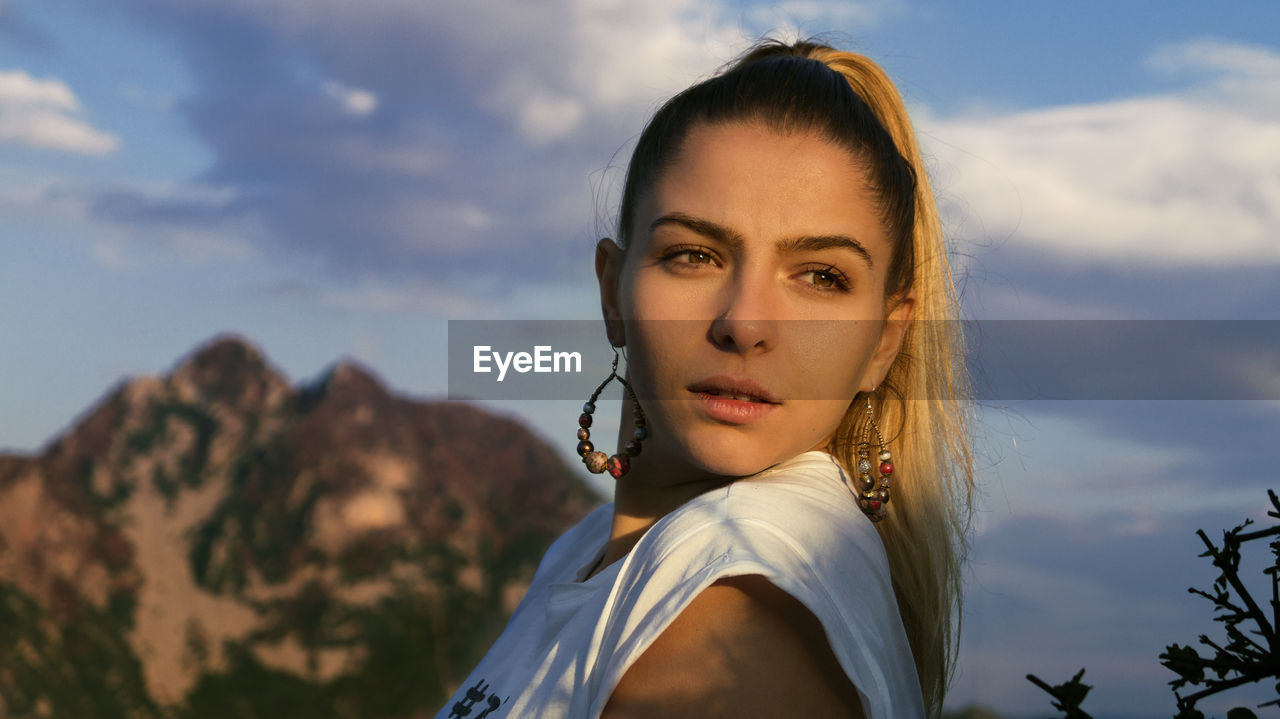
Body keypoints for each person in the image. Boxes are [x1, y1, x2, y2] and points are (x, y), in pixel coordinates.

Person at [438, 38, 973, 719]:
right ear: (613, 290)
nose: (745, 323)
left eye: (820, 276)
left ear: (884, 341)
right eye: (694, 254)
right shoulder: (593, 553)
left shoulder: (732, 613)